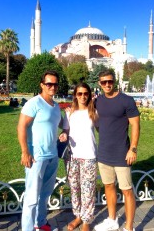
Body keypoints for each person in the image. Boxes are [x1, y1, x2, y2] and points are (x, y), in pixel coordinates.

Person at [94, 70, 140, 231]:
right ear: (99, 83)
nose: (107, 85)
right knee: (108, 186)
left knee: (127, 190)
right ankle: (112, 220)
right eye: (104, 82)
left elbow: (135, 125)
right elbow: (95, 119)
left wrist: (133, 149)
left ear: (115, 81)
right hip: (104, 153)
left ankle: (129, 227)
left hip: (122, 153)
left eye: (110, 81)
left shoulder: (126, 100)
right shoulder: (98, 101)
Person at [17, 70, 62, 231]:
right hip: (36, 156)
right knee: (31, 197)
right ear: (42, 85)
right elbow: (22, 126)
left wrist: (66, 131)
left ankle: (40, 223)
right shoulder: (34, 103)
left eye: (55, 84)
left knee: (45, 194)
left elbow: (61, 124)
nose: (53, 87)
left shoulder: (56, 106)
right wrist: (25, 152)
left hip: (52, 155)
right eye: (49, 84)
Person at [59, 82, 98, 231]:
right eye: (79, 93)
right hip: (71, 157)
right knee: (74, 188)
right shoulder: (69, 113)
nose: (83, 96)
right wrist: (63, 134)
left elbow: (104, 129)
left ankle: (87, 221)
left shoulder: (93, 112)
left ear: (89, 95)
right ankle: (78, 217)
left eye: (85, 94)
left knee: (87, 189)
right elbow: (65, 131)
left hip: (89, 155)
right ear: (75, 95)